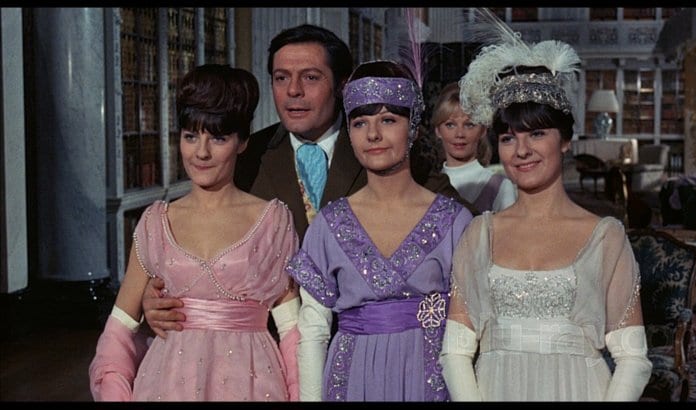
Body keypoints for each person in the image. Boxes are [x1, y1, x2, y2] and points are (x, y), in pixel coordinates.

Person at [141, 24, 476, 339]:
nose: (293, 91)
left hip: (364, 343)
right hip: (268, 351)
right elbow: (193, 236)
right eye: (281, 78)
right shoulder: (244, 155)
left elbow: (465, 229)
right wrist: (157, 294)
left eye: (310, 77)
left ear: (342, 86)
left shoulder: (382, 149)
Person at [438, 11, 652, 402]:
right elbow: (455, 351)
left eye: (536, 133)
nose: (521, 150)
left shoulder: (606, 237)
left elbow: (633, 358)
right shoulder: (479, 234)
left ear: (565, 140)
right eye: (508, 138)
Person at [88, 64, 301, 401]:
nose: (201, 152)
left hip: (254, 385)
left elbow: (292, 330)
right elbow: (118, 331)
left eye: (218, 138)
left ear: (242, 141)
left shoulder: (273, 221)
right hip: (166, 385)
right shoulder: (156, 223)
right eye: (190, 136)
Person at [286, 60, 474, 402]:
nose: (373, 135)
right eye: (360, 123)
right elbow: (312, 333)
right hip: (351, 382)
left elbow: (468, 334)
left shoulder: (454, 222)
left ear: (413, 128)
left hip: (430, 383)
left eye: (388, 120)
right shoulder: (328, 225)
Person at [432, 82, 517, 213]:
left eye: (469, 125)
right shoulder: (429, 185)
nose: (459, 134)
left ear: (482, 131)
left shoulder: (499, 187)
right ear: (438, 131)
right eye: (450, 125)